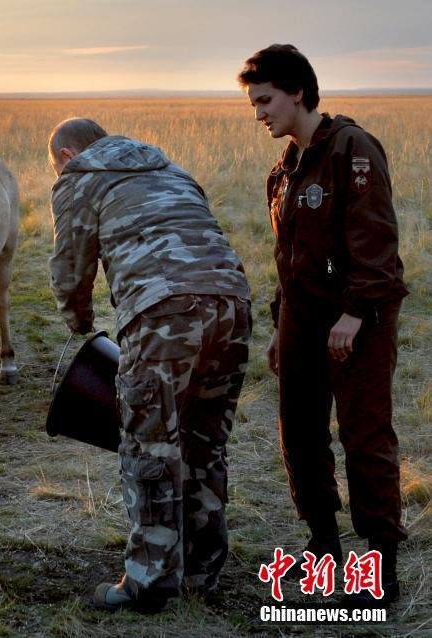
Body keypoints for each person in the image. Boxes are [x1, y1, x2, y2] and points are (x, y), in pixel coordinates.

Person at [48, 118, 252, 611]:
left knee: (149, 446)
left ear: (69, 154)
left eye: (56, 165)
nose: (57, 173)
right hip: (232, 305)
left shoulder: (79, 178)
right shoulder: (171, 168)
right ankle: (202, 573)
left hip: (164, 314)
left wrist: (79, 320)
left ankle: (150, 582)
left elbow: (70, 270)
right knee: (204, 442)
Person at [238, 44, 408, 607]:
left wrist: (355, 314)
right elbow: (289, 259)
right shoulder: (282, 170)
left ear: (298, 92)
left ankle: (380, 558)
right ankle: (323, 545)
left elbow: (377, 241)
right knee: (300, 432)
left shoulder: (352, 150)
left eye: (265, 100)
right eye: (253, 103)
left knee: (364, 433)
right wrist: (279, 326)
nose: (258, 113)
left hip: (358, 319)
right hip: (302, 319)